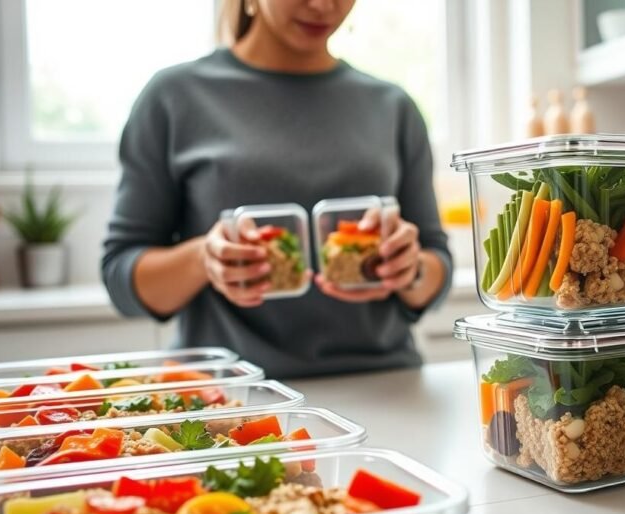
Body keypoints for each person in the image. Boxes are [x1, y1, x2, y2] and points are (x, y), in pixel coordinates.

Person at [102, 0, 451, 378]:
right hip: (233, 398)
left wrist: (409, 268)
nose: (322, 6)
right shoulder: (174, 97)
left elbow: (436, 267)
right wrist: (206, 258)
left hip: (386, 384)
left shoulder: (392, 106)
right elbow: (123, 279)